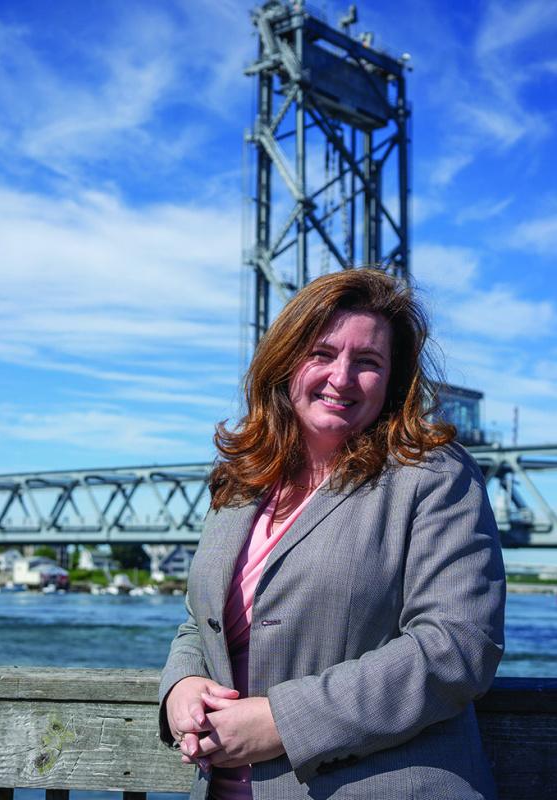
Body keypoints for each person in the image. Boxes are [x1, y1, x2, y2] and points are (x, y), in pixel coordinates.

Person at [158, 268, 505, 799]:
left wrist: (280, 721)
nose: (341, 378)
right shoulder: (243, 478)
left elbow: (457, 647)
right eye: (321, 353)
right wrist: (180, 687)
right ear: (285, 361)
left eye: (368, 362)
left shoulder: (434, 474)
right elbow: (198, 622)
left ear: (393, 380)